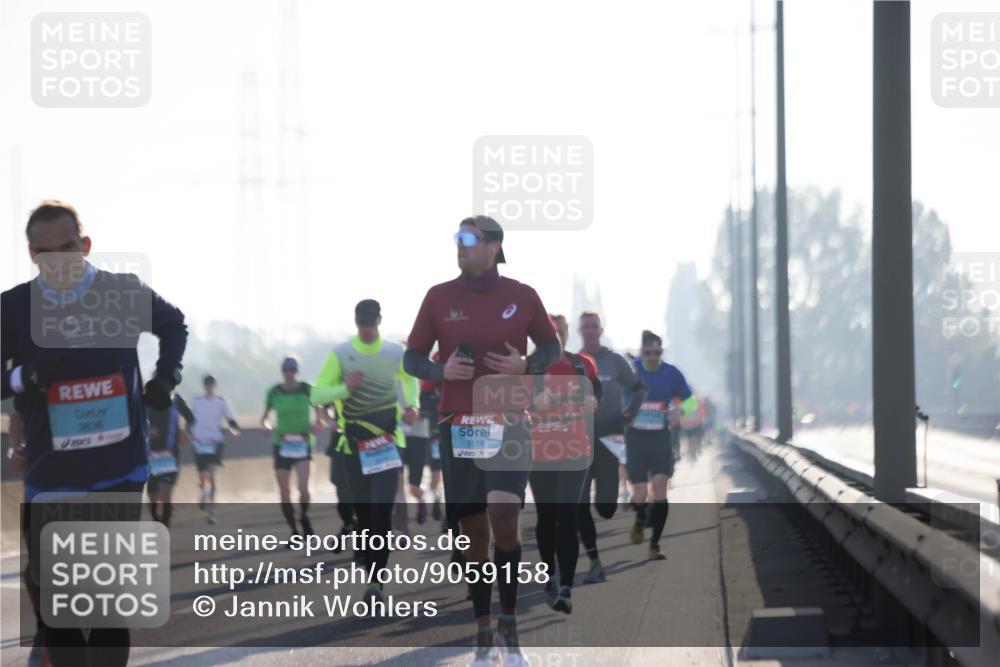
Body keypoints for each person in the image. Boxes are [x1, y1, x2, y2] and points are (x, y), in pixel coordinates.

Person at [2, 201, 187, 667]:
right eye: (45, 252)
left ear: (84, 246)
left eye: (66, 248)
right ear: (31, 255)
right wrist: (25, 378)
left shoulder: (121, 292)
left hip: (119, 469)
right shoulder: (13, 307)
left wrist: (165, 378)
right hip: (52, 475)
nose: (57, 260)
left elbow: (174, 325)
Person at [404, 215, 561, 667]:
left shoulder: (523, 296)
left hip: (510, 421)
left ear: (493, 246)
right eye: (456, 239)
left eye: (468, 240)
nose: (459, 246)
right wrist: (440, 371)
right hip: (461, 425)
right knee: (474, 538)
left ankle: (511, 636)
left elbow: (551, 349)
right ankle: (483, 636)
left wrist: (526, 366)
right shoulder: (438, 297)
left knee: (504, 515)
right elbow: (412, 357)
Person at [312, 299, 418, 601]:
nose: (367, 328)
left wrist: (411, 405)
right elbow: (317, 394)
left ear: (379, 321)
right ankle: (368, 562)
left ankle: (376, 584)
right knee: (364, 516)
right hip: (353, 448)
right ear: (356, 322)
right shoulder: (341, 355)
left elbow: (410, 378)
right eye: (362, 323)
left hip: (386, 445)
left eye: (371, 322)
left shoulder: (395, 353)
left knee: (381, 513)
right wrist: (344, 388)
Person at [528, 314, 601, 614]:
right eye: (548, 332)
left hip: (575, 451)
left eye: (558, 331)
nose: (554, 336)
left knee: (567, 517)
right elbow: (508, 403)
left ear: (566, 334)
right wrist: (532, 403)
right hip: (539, 454)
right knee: (546, 519)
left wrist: (593, 402)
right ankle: (550, 577)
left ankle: (566, 588)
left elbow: (598, 392)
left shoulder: (582, 364)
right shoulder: (528, 367)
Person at [576, 310, 646, 583]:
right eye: (586, 327)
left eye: (594, 326)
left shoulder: (615, 361)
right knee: (579, 503)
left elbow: (638, 389)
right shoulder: (575, 362)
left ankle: (609, 504)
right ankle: (594, 561)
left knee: (605, 507)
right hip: (580, 440)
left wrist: (628, 415)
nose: (590, 331)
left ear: (600, 329)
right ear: (580, 331)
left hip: (609, 439)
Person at [625, 330, 698, 560]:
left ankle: (655, 544)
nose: (653, 357)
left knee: (659, 488)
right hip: (635, 439)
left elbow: (692, 402)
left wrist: (679, 411)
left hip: (660, 439)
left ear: (662, 351)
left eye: (657, 352)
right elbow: (611, 392)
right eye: (648, 353)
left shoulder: (672, 373)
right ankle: (639, 519)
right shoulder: (630, 370)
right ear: (641, 352)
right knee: (640, 492)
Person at [261, 355, 324, 539]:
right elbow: (264, 417)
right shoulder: (274, 392)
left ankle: (304, 516)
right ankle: (294, 531)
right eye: (286, 371)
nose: (289, 374)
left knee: (304, 489)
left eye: (292, 371)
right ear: (282, 372)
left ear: (297, 372)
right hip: (282, 445)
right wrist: (266, 426)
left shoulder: (307, 389)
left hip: (303, 444)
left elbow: (319, 411)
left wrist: (318, 422)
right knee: (284, 491)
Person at [190, 375, 240, 523]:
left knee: (211, 476)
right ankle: (204, 492)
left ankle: (211, 512)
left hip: (215, 442)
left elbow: (231, 419)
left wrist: (234, 429)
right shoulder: (196, 401)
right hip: (199, 442)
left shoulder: (221, 402)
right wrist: (188, 432)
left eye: (211, 384)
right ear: (204, 386)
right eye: (207, 384)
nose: (209, 387)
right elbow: (190, 419)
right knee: (203, 477)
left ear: (215, 385)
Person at [147, 392, 195, 527]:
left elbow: (190, 418)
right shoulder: (147, 399)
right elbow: (136, 419)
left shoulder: (176, 399)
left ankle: (165, 524)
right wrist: (147, 429)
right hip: (151, 454)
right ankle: (156, 519)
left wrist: (185, 431)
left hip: (171, 454)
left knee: (165, 491)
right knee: (152, 494)